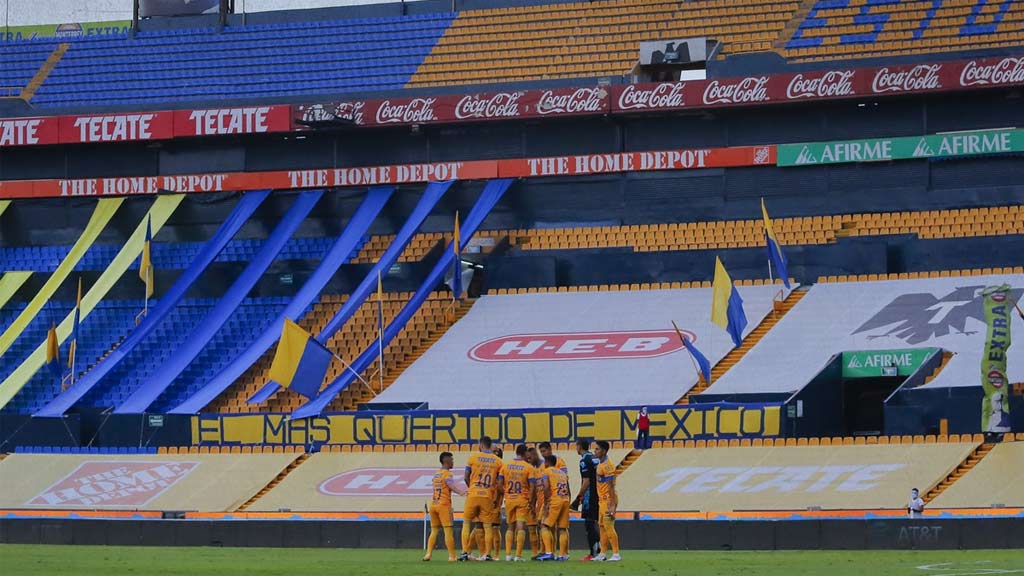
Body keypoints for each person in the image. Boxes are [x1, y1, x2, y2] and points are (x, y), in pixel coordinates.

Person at [459, 437, 502, 562]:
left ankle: (464, 552)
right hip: (487, 495)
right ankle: (487, 554)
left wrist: (472, 488)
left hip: (473, 494)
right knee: (488, 526)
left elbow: (466, 477)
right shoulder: (498, 461)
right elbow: (499, 483)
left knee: (466, 523)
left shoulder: (473, 458)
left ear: (481, 445)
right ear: (490, 445)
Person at [423, 452, 467, 562]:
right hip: (443, 505)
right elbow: (450, 485)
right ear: (446, 461)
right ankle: (452, 556)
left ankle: (428, 554)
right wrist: (461, 492)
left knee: (434, 531)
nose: (453, 462)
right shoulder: (447, 474)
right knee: (448, 531)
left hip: (433, 504)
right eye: (452, 460)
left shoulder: (436, 474)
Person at [499, 445, 536, 562]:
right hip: (522, 499)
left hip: (509, 499)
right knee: (520, 526)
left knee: (510, 527)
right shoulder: (528, 467)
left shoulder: (505, 466)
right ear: (525, 453)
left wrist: (506, 494)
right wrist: (531, 500)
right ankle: (518, 555)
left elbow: (499, 484)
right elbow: (533, 486)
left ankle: (508, 555)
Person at [537, 453, 571, 561]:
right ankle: (562, 555)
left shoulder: (546, 472)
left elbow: (546, 488)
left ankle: (548, 552)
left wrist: (546, 503)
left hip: (555, 500)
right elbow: (568, 489)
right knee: (562, 528)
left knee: (544, 526)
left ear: (546, 462)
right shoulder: (562, 473)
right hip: (565, 500)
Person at [571, 438, 601, 561]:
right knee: (595, 522)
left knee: (589, 523)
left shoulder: (584, 460)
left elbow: (586, 481)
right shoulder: (594, 457)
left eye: (576, 446)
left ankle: (593, 553)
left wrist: (578, 497)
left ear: (579, 446)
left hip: (590, 495)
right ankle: (599, 551)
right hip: (599, 493)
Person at [593, 440, 621, 562]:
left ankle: (616, 554)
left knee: (609, 527)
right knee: (602, 527)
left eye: (597, 449)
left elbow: (611, 486)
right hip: (602, 500)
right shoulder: (600, 463)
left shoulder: (608, 466)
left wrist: (612, 504)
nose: (595, 451)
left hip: (608, 500)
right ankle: (602, 554)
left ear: (604, 451)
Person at [524, 447, 543, 558]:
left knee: (543, 526)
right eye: (527, 458)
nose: (529, 460)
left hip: (545, 502)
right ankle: (537, 553)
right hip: (536, 502)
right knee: (533, 527)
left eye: (530, 457)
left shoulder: (544, 467)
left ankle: (546, 551)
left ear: (535, 455)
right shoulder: (533, 469)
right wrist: (532, 503)